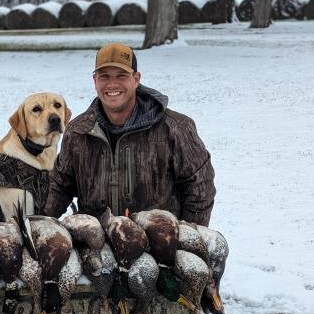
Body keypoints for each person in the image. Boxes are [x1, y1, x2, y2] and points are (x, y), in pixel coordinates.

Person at [44, 42, 215, 225]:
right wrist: (33, 222)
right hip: (93, 238)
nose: (112, 84)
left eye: (121, 75)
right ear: (95, 80)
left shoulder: (175, 128)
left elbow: (200, 188)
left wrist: (186, 234)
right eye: (104, 76)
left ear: (136, 79)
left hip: (158, 238)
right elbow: (59, 186)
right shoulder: (78, 132)